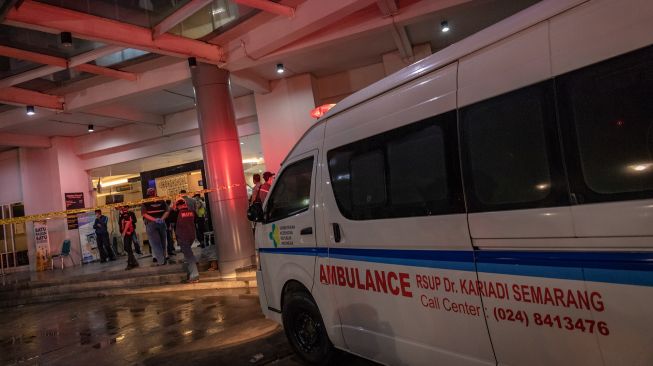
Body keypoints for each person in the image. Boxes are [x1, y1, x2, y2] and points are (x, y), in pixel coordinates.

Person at [142, 188, 171, 265]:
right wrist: (161, 219)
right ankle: (164, 258)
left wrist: (154, 220)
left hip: (151, 224)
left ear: (148, 193)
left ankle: (161, 261)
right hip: (161, 223)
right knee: (163, 242)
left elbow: (144, 214)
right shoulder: (161, 200)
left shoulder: (145, 202)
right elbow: (167, 211)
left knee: (155, 244)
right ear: (155, 193)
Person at [175, 199, 200, 283]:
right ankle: (192, 271)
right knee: (188, 253)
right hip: (191, 236)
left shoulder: (176, 213)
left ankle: (194, 276)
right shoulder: (192, 211)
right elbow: (197, 220)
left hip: (183, 237)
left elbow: (169, 221)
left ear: (178, 206)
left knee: (189, 256)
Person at [118, 205, 139, 270]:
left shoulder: (131, 213)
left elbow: (133, 221)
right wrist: (122, 231)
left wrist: (125, 230)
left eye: (125, 207)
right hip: (125, 233)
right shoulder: (121, 215)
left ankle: (130, 263)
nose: (124, 208)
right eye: (123, 207)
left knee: (133, 243)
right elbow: (120, 223)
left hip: (130, 232)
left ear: (127, 208)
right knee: (126, 247)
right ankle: (134, 261)